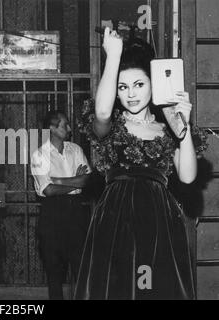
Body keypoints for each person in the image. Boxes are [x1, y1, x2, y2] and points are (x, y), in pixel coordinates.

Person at [75, 28, 208, 300]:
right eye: (123, 87)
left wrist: (183, 127)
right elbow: (101, 110)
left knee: (153, 291)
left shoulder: (165, 128)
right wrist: (113, 55)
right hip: (116, 221)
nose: (131, 94)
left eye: (139, 84)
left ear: (153, 85)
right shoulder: (111, 126)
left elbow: (187, 177)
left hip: (159, 224)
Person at [31, 111, 91, 300]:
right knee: (54, 274)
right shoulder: (39, 154)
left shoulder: (76, 149)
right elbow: (47, 191)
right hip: (52, 215)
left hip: (76, 214)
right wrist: (75, 181)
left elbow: (87, 181)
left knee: (82, 269)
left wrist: (58, 180)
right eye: (65, 125)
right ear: (52, 128)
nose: (69, 129)